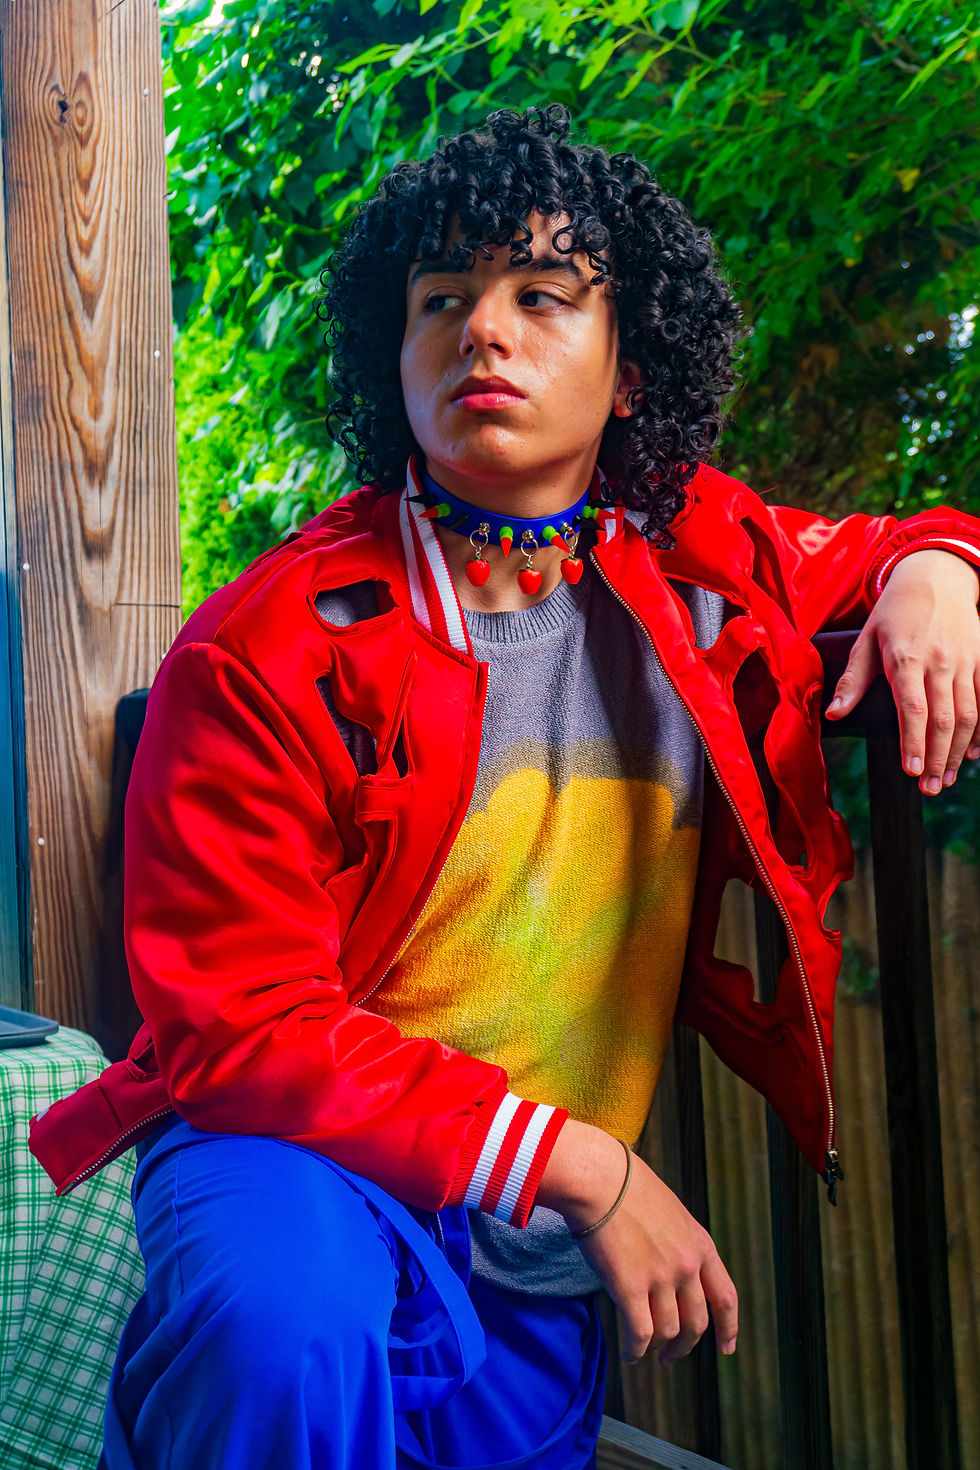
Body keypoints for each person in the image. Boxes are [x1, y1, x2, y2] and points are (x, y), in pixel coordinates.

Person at [29, 105, 980, 1470]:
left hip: (523, 1242)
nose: (483, 329)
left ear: (629, 371)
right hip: (296, 1158)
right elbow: (243, 1025)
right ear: (395, 352)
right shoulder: (268, 646)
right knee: (280, 1332)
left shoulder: (697, 561)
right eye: (441, 299)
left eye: (542, 295)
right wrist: (584, 1163)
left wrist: (938, 571)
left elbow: (871, 546)